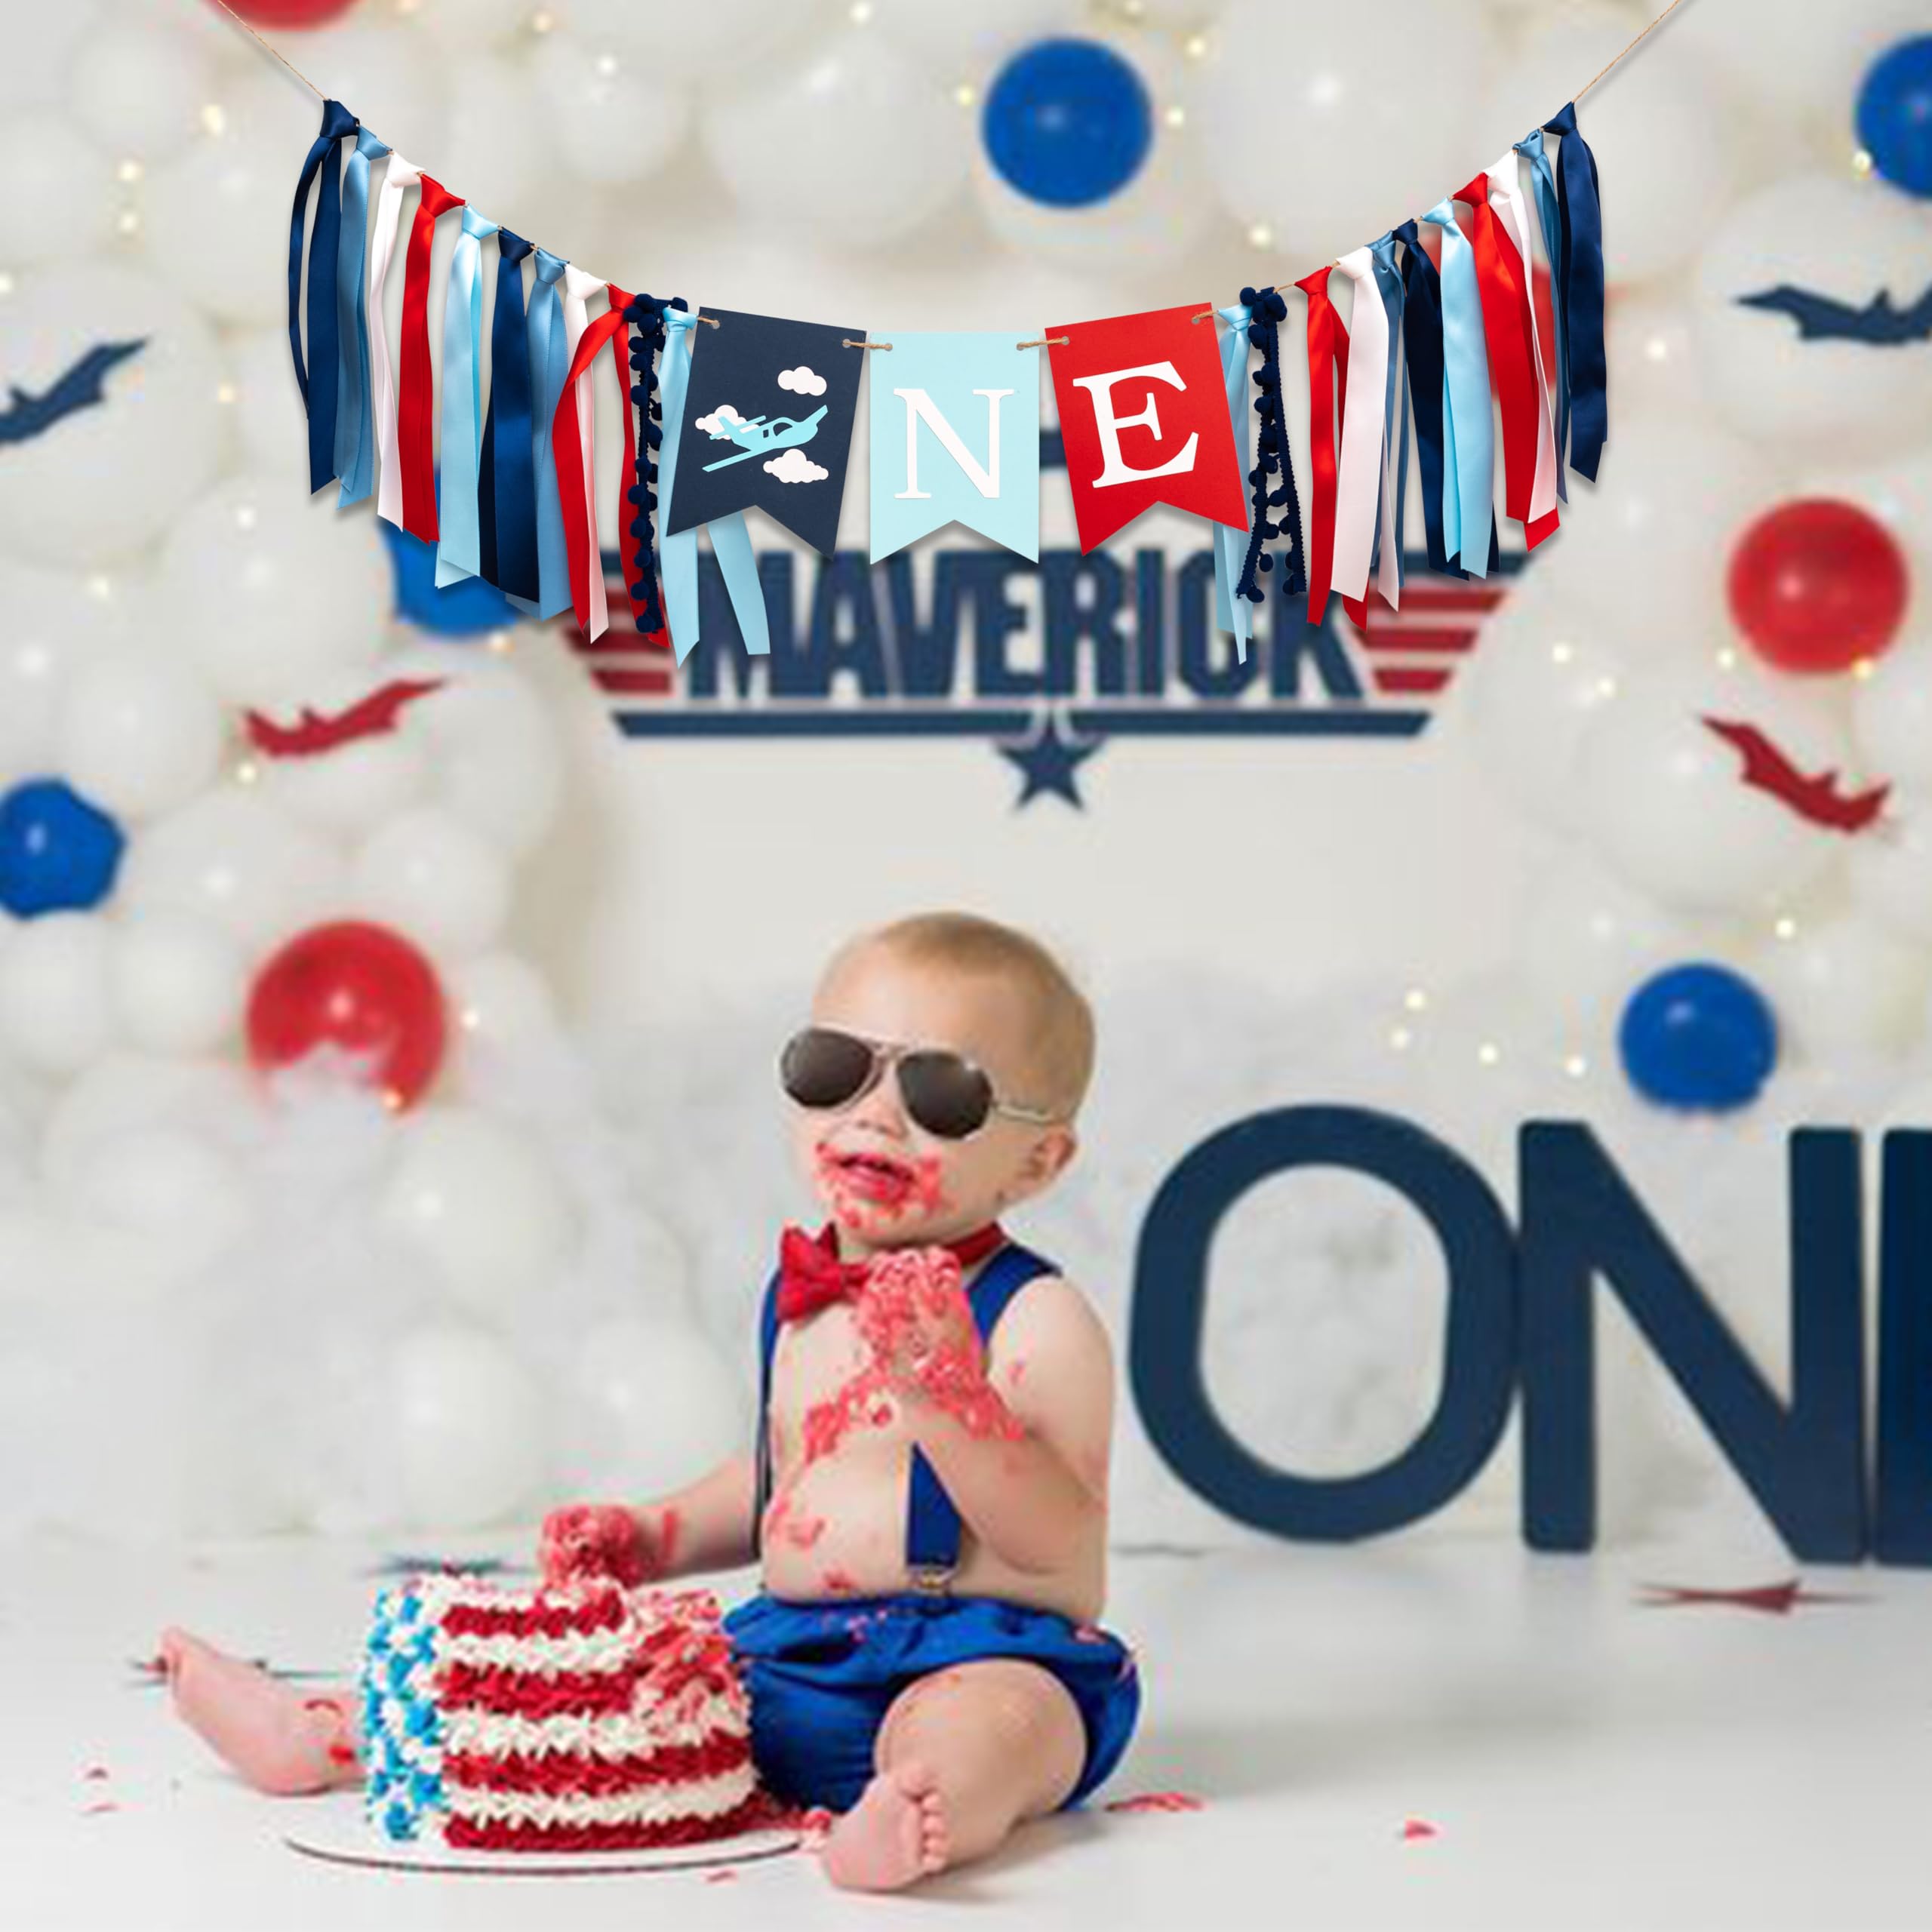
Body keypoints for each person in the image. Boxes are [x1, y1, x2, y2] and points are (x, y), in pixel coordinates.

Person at [160, 909, 1140, 1893]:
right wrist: (653, 1534)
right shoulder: (800, 1301)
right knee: (600, 1688)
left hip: (981, 1650)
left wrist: (944, 1399)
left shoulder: (1035, 1319)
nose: (875, 1114)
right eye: (834, 1069)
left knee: (999, 1727)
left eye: (939, 1091)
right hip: (789, 1656)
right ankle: (331, 1731)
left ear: (1037, 1162)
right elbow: (780, 1486)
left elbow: (1052, 1536)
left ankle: (922, 1810)